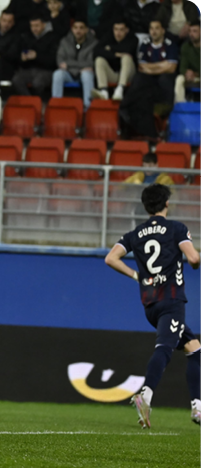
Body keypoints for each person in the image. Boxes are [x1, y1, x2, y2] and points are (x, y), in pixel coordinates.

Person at [104, 184, 201, 428]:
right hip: (172, 301)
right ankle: (145, 395)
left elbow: (110, 258)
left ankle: (198, 407)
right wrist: (196, 264)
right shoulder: (176, 228)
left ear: (146, 207)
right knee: (165, 349)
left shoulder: (135, 234)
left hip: (150, 304)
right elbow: (193, 258)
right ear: (167, 203)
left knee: (195, 350)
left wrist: (136, 276)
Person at [119, 18, 179, 139]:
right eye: (151, 28)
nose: (154, 31)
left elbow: (172, 68)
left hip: (162, 81)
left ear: (162, 30)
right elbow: (141, 67)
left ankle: (165, 106)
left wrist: (151, 68)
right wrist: (162, 65)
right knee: (139, 79)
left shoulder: (170, 44)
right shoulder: (145, 43)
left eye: (157, 28)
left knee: (164, 78)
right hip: (149, 80)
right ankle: (125, 107)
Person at [52, 19, 97, 109]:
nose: (78, 31)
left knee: (86, 75)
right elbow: (60, 60)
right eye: (75, 28)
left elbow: (91, 63)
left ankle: (87, 108)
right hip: (69, 73)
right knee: (57, 74)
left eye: (81, 28)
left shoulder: (93, 43)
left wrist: (68, 64)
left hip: (83, 73)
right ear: (72, 29)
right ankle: (56, 106)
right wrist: (78, 66)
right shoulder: (65, 41)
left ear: (86, 30)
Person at [91, 19, 138, 101]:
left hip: (129, 75)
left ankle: (120, 89)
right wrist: (115, 54)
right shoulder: (109, 37)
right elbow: (96, 51)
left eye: (121, 30)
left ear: (126, 30)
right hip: (114, 74)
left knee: (126, 58)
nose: (118, 33)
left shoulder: (133, 38)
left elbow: (128, 50)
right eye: (116, 29)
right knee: (99, 60)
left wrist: (110, 48)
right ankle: (104, 91)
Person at [11, 14, 57, 96]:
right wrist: (22, 58)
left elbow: (53, 60)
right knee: (17, 79)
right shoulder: (26, 37)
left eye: (37, 25)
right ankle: (29, 101)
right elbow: (17, 56)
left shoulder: (53, 38)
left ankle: (37, 102)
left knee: (38, 82)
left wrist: (37, 56)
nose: (34, 28)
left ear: (44, 24)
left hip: (46, 71)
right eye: (32, 26)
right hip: (29, 69)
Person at [174, 19, 199, 103]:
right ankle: (179, 106)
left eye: (194, 31)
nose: (191, 34)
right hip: (192, 77)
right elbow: (182, 68)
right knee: (179, 79)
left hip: (197, 75)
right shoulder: (186, 46)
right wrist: (187, 73)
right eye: (190, 31)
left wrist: (195, 74)